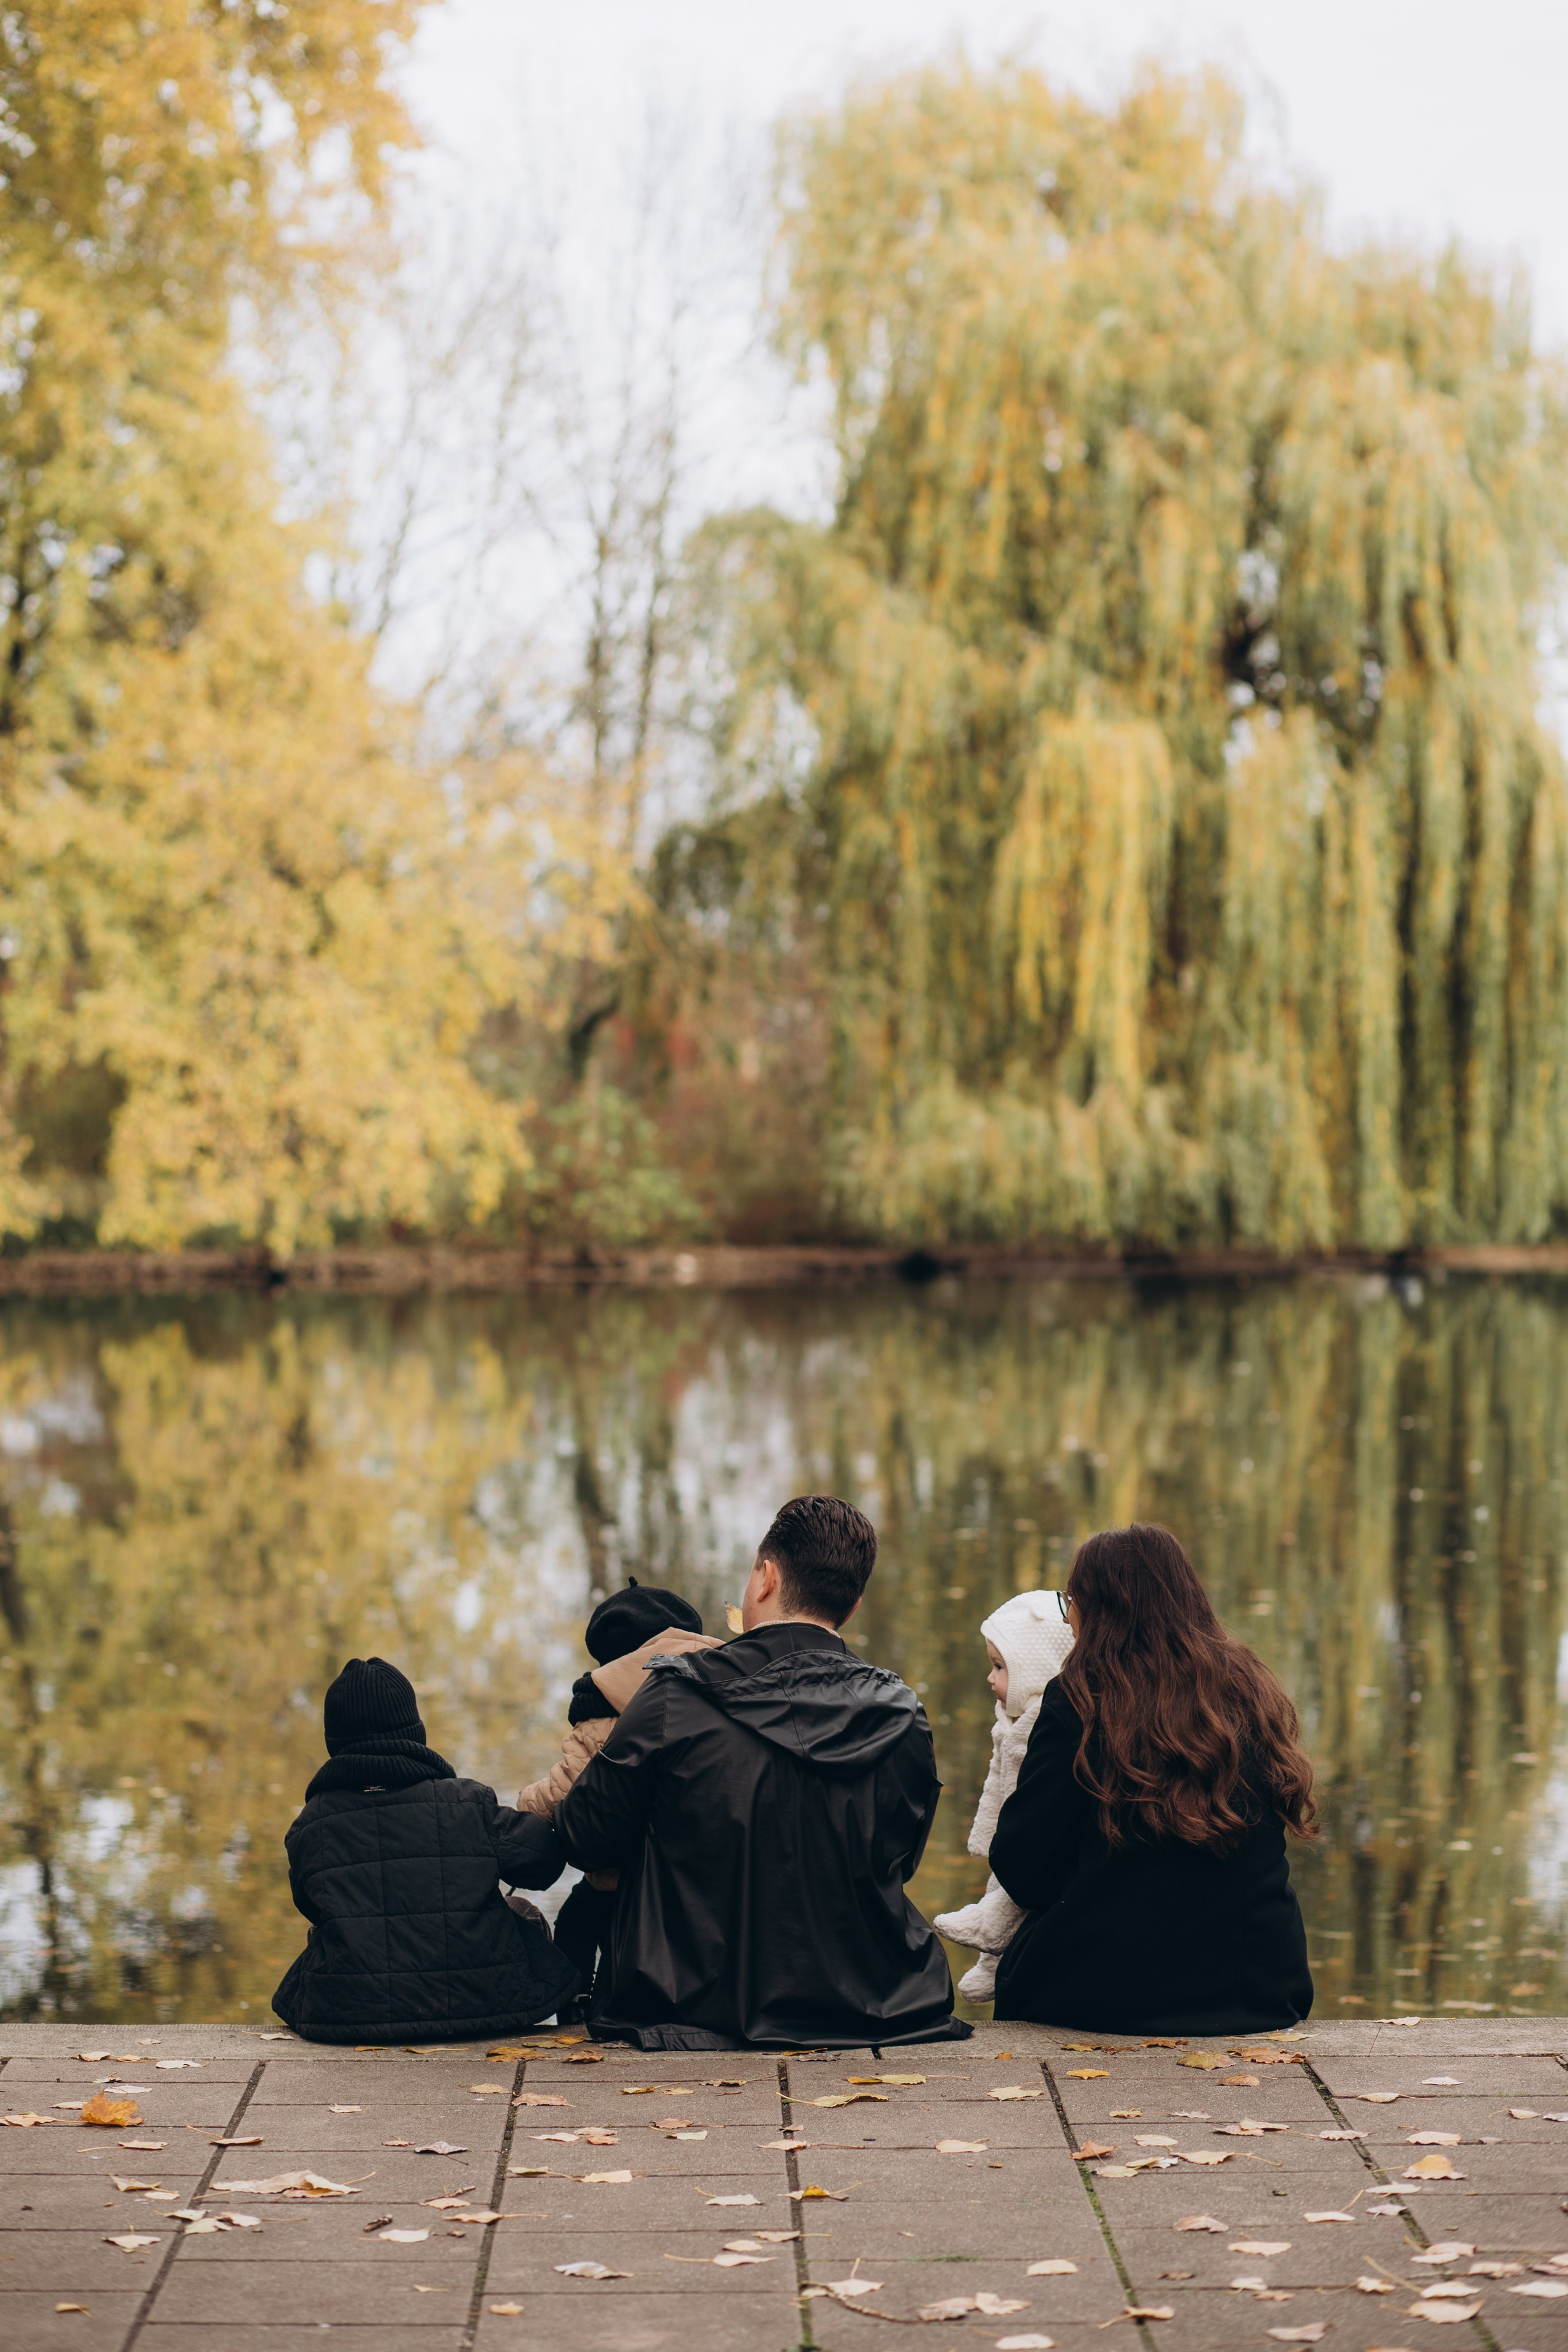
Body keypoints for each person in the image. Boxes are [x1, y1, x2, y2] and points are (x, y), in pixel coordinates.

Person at [554, 1494, 969, 2050]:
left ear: (766, 1578)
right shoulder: (902, 1713)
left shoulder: (676, 1694)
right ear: (852, 1606)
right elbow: (898, 1861)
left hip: (689, 2006)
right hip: (880, 2003)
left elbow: (584, 1836)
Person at [989, 1525, 1315, 2034]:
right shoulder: (1250, 1687)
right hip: (1259, 1985)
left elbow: (1025, 1867)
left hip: (1107, 1992)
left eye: (1072, 1600)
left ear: (1098, 1610)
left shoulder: (1080, 1698)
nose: (1069, 1615)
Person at [273, 1656, 578, 2043]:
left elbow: (310, 1904)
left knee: (326, 1929)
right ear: (415, 1731)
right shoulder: (467, 1802)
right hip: (491, 2008)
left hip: (350, 2017)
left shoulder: (311, 1823)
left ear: (335, 1741)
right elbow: (543, 1864)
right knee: (523, 1912)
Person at [515, 1580, 707, 2019]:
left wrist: (523, 1803)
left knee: (577, 1923)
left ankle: (575, 2008)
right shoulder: (721, 1693)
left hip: (622, 1879)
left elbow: (568, 1792)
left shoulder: (602, 1720)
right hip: (698, 1874)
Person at [933, 1589, 1075, 2000]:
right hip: (1016, 1837)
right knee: (1002, 1882)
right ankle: (991, 1966)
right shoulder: (1010, 1719)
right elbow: (996, 1782)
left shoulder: (1045, 1721)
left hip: (1033, 1839)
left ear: (1035, 1669)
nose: (990, 1679)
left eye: (1000, 1667)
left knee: (1013, 1894)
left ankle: (991, 1939)